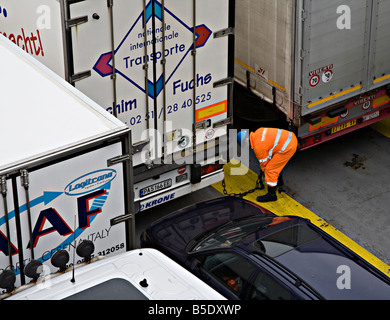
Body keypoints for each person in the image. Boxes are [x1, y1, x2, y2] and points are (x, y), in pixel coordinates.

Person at [237, 127, 298, 202]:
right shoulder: (258, 131)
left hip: (287, 147)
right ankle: (279, 182)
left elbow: (265, 164)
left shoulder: (258, 147)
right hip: (290, 138)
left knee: (270, 170)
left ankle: (271, 195)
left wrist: (264, 174)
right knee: (275, 164)